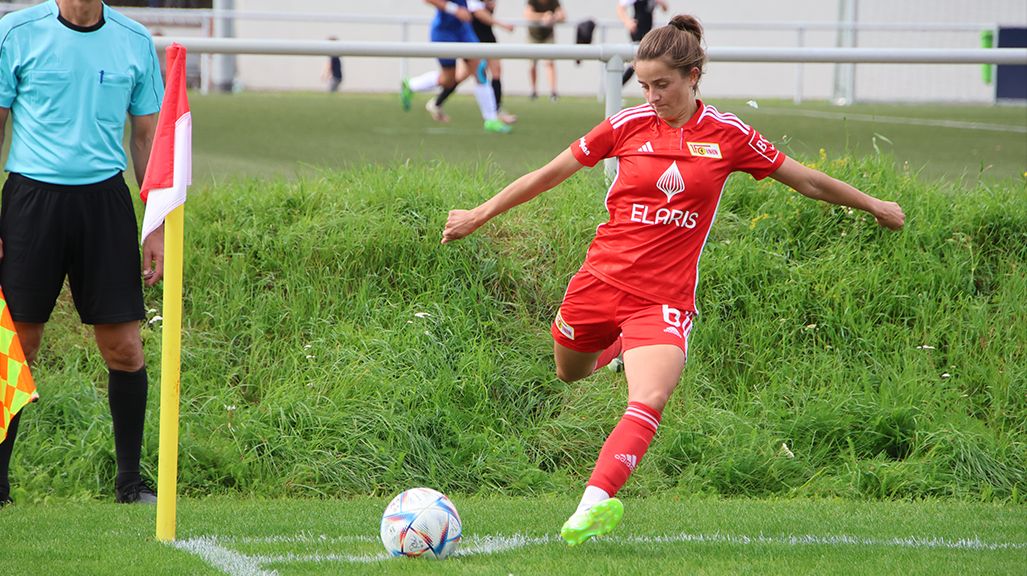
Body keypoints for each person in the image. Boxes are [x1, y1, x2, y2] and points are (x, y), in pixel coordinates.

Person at [442, 14, 905, 546]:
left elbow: (804, 179)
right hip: (598, 282)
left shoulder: (728, 136)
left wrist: (872, 205)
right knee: (570, 372)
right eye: (644, 84)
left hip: (663, 299)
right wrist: (480, 213)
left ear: (694, 74)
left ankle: (591, 505)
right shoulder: (625, 126)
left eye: (662, 84)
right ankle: (615, 351)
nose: (653, 94)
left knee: (650, 397)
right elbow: (548, 174)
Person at [0, 0, 165, 506]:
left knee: (126, 349)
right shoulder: (15, 33)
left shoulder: (135, 41)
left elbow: (145, 138)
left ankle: (130, 485)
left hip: (106, 204)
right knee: (17, 347)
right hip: (31, 201)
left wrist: (154, 225)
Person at [400, 0, 512, 134]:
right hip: (443, 33)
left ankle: (491, 120)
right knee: (448, 80)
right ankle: (411, 85)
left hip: (464, 30)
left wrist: (485, 4)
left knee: (479, 70)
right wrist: (455, 9)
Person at [470, 0, 518, 124]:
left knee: (496, 72)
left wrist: (490, 5)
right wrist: (503, 25)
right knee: (458, 76)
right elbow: (480, 15)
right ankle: (437, 101)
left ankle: (496, 111)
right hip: (476, 40)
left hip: (489, 39)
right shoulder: (472, 3)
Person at [617, 0, 668, 85]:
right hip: (638, 31)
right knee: (638, 60)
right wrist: (627, 22)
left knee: (637, 61)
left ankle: (617, 85)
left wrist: (660, 2)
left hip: (648, 33)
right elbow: (620, 8)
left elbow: (665, 8)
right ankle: (617, 85)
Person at [524, 0, 564, 101]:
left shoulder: (554, 2)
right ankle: (533, 90)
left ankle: (553, 92)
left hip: (548, 36)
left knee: (550, 63)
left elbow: (562, 15)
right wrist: (544, 15)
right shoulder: (532, 1)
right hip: (533, 36)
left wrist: (552, 17)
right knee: (532, 64)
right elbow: (528, 15)